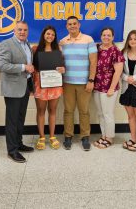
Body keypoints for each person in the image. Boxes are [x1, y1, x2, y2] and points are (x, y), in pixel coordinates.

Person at [0, 21, 34, 163]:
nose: (22, 32)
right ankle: (12, 151)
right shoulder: (6, 44)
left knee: (20, 118)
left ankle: (18, 143)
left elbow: (30, 65)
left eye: (25, 30)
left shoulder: (27, 44)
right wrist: (23, 67)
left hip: (25, 87)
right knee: (12, 121)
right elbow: (2, 65)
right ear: (14, 30)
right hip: (13, 88)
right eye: (19, 29)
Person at [60, 16, 97, 151]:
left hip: (84, 83)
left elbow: (93, 62)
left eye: (74, 23)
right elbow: (59, 62)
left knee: (84, 111)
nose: (72, 26)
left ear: (79, 25)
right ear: (66, 26)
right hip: (67, 83)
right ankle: (68, 136)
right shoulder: (62, 42)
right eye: (69, 24)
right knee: (68, 111)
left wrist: (91, 80)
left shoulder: (88, 40)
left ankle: (85, 136)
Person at [32, 26, 65, 150]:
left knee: (52, 110)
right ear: (43, 35)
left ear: (55, 37)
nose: (50, 36)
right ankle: (41, 137)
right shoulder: (35, 49)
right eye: (48, 34)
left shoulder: (58, 50)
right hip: (40, 84)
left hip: (54, 84)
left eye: (52, 34)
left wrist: (63, 69)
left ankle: (52, 136)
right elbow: (32, 68)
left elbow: (63, 66)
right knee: (41, 111)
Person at [93, 27, 124, 149]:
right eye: (104, 35)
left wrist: (111, 88)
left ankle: (110, 138)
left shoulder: (115, 51)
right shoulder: (97, 49)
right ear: (101, 36)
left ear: (113, 37)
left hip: (109, 88)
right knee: (100, 113)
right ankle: (104, 135)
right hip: (97, 86)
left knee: (108, 113)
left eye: (109, 35)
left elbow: (118, 71)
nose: (106, 37)